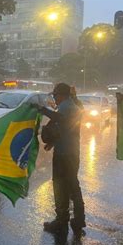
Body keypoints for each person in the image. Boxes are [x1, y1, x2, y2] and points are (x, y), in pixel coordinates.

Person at [36, 83, 85, 235]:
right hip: (71, 152)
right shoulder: (72, 106)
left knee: (60, 185)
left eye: (55, 95)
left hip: (65, 155)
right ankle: (78, 220)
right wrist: (52, 142)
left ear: (62, 95)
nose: (54, 98)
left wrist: (41, 109)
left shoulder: (66, 106)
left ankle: (61, 220)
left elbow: (59, 118)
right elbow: (66, 128)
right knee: (72, 186)